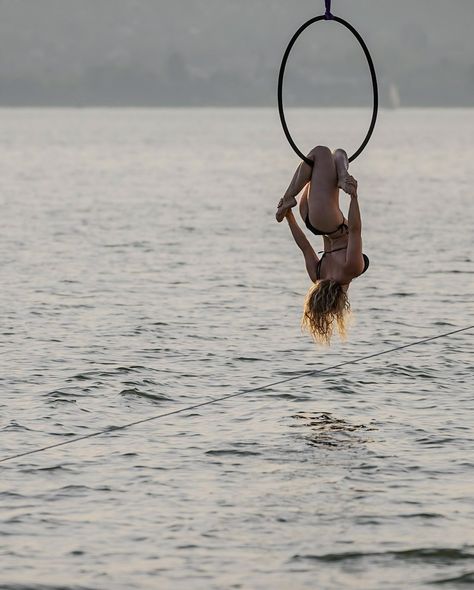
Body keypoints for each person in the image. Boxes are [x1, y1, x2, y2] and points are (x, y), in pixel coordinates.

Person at [276, 145, 369, 344]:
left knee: (321, 152)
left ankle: (288, 197)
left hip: (327, 217)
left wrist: (354, 197)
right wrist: (290, 217)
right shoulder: (317, 276)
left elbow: (354, 230)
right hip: (311, 217)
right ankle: (342, 175)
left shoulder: (351, 268)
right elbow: (304, 246)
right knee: (338, 156)